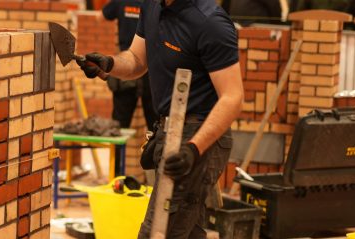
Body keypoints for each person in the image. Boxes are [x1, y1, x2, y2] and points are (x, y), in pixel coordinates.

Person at [77, 0, 242, 237]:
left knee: (158, 232)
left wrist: (193, 149)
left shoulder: (210, 22)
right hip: (169, 127)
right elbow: (137, 60)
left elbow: (233, 97)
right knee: (188, 230)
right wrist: (110, 64)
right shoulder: (152, 6)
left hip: (199, 134)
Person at [101, 0, 159, 132]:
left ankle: (116, 152)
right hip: (134, 65)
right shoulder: (153, 5)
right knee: (154, 124)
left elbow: (101, 16)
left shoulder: (123, 2)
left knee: (120, 125)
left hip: (135, 65)